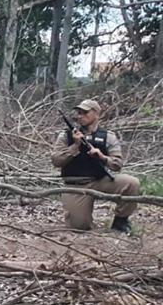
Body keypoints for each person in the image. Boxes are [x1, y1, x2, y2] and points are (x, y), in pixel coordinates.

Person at [51, 99, 141, 232]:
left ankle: (120, 221)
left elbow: (117, 165)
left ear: (96, 114)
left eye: (85, 113)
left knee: (131, 183)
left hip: (100, 181)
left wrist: (102, 157)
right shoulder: (66, 135)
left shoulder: (108, 136)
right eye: (79, 113)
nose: (80, 116)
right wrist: (75, 146)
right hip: (75, 186)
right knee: (79, 226)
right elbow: (56, 161)